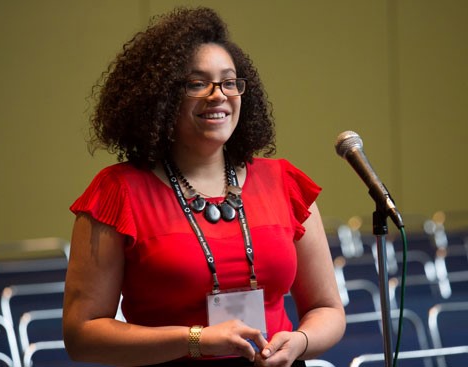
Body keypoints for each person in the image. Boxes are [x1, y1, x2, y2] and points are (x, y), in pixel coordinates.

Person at [63, 6, 345, 367]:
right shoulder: (118, 192)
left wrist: (300, 343)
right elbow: (81, 335)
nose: (218, 95)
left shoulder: (283, 182)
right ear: (162, 98)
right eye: (197, 84)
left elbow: (327, 309)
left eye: (229, 82)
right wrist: (194, 340)